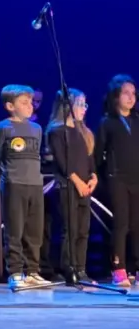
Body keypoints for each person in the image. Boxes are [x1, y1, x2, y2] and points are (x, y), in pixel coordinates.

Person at [0, 85, 47, 289]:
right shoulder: (2, 128)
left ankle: (33, 271)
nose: (30, 106)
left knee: (35, 231)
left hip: (35, 184)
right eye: (24, 102)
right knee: (14, 230)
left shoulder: (37, 129)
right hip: (15, 184)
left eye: (30, 102)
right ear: (10, 106)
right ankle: (15, 272)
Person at [47, 89, 97, 280]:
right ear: (67, 106)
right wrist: (77, 181)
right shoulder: (57, 132)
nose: (84, 109)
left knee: (84, 230)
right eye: (80, 104)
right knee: (71, 229)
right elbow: (62, 162)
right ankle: (69, 267)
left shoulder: (84, 132)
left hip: (85, 187)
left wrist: (93, 178)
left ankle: (81, 267)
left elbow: (90, 161)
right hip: (68, 186)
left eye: (85, 104)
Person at [94, 74, 139, 288]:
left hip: (136, 179)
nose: (131, 97)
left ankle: (135, 267)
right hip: (117, 179)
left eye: (134, 93)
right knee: (121, 224)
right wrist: (103, 178)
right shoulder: (107, 123)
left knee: (136, 225)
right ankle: (118, 267)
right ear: (115, 96)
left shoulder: (137, 121)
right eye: (126, 93)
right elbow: (98, 155)